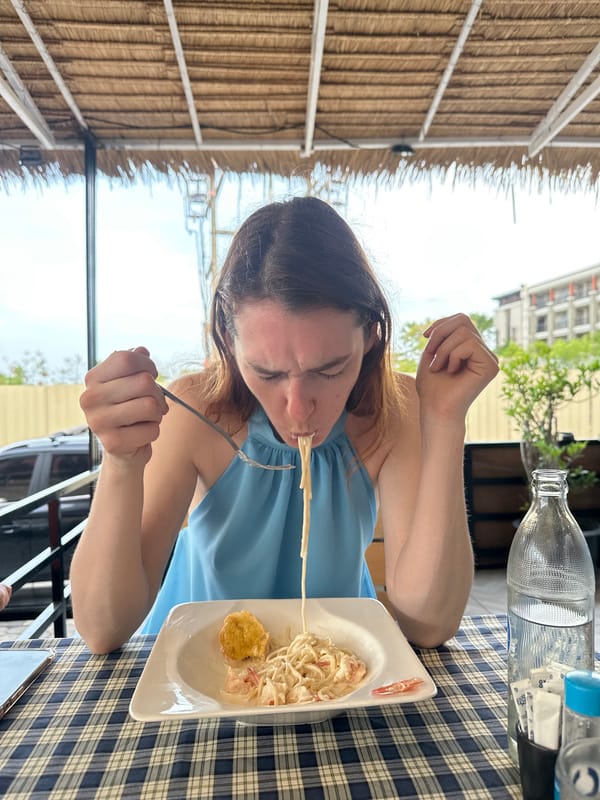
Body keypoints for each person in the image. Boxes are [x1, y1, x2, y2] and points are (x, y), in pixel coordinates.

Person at [71, 196, 499, 654]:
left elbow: (430, 624)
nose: (298, 411)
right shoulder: (197, 413)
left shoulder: (394, 411)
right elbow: (102, 628)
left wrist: (445, 422)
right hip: (196, 670)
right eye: (268, 373)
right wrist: (120, 461)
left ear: (371, 337)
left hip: (335, 664)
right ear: (228, 342)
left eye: (330, 370)